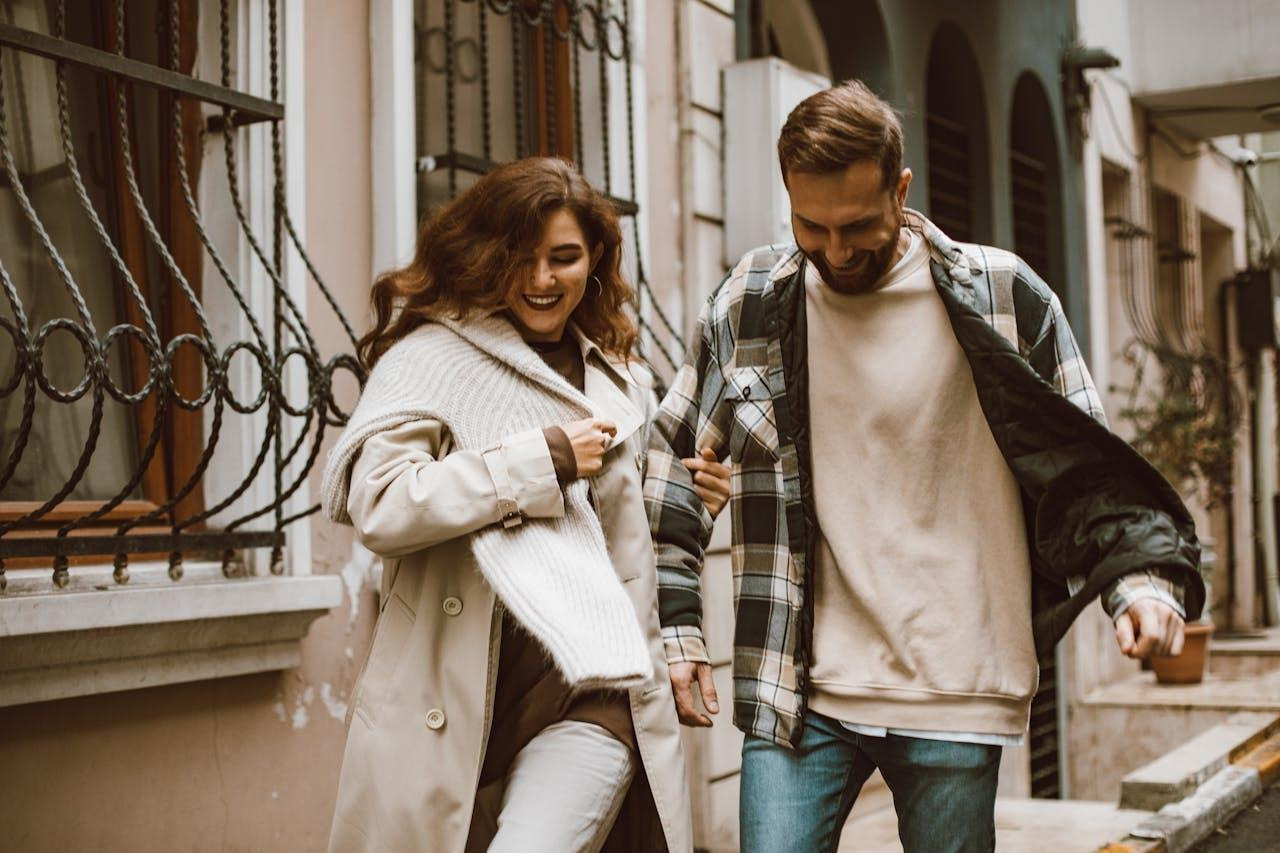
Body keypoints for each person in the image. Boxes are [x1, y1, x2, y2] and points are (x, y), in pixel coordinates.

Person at [643, 80, 1205, 853]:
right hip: (797, 686)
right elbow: (676, 458)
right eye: (812, 226)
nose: (836, 252)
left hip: (956, 685)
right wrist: (680, 633)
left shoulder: (1005, 296)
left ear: (900, 188)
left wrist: (1139, 587)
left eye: (858, 226)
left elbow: (1089, 471)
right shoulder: (750, 303)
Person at [320, 157, 729, 853]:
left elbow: (630, 546)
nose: (543, 280)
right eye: (521, 257)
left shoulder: (620, 377)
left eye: (564, 258)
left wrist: (693, 505)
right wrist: (535, 463)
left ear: (595, 257)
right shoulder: (429, 359)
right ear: (485, 256)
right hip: (452, 703)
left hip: (592, 697)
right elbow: (380, 505)